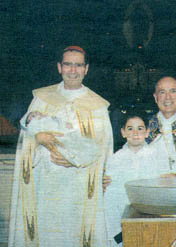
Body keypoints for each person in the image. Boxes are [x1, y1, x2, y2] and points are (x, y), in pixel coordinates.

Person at [8, 46, 113, 247]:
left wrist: (74, 158)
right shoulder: (42, 98)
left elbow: (103, 149)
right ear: (59, 67)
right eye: (68, 64)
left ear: (86, 69)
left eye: (78, 65)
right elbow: (26, 139)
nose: (72, 70)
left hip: (80, 185)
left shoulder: (97, 106)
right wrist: (38, 138)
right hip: (45, 185)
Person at [104, 111, 168, 247]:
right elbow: (110, 196)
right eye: (130, 129)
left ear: (147, 132)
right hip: (121, 217)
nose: (135, 133)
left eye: (140, 128)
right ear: (123, 132)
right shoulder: (115, 159)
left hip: (149, 215)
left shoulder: (156, 157)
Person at [25, 111, 99, 168]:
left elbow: (60, 123)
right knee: (64, 150)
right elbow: (32, 134)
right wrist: (39, 137)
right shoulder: (35, 124)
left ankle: (81, 158)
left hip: (64, 135)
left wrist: (66, 125)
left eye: (37, 112)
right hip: (53, 143)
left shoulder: (51, 118)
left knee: (78, 145)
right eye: (33, 116)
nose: (37, 114)